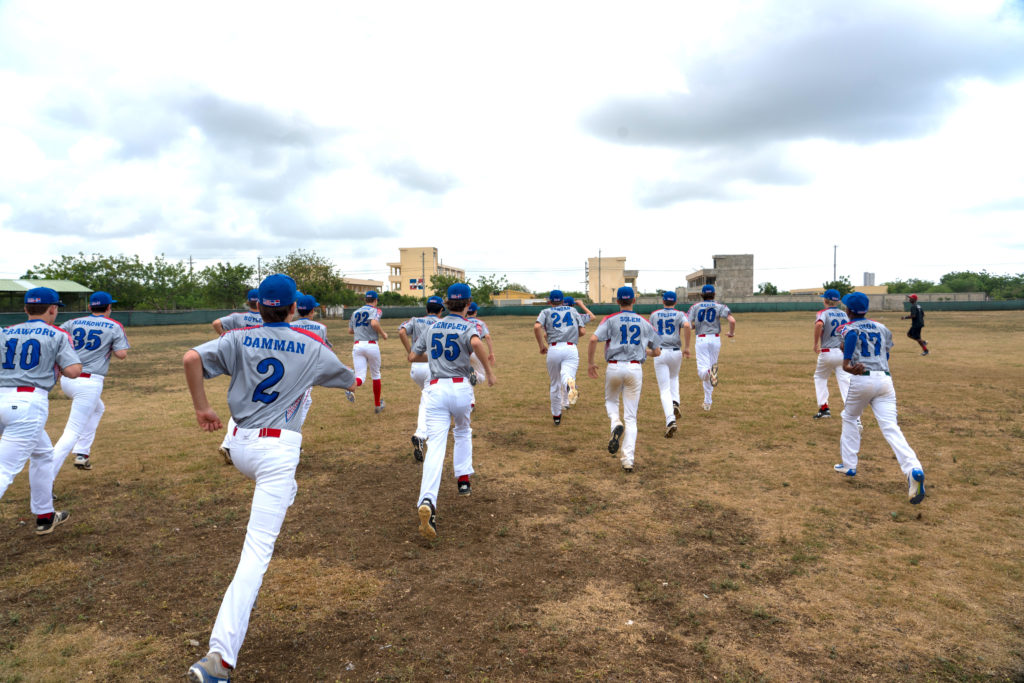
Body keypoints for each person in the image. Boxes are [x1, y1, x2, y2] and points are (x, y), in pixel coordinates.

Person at [183, 274, 357, 682]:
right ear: (294, 307)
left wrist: (201, 409)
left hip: (239, 444)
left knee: (282, 488)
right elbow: (351, 379)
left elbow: (191, 358)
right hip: (277, 451)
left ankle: (283, 490)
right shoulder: (312, 343)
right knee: (256, 552)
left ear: (257, 306)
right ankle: (220, 658)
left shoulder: (238, 335)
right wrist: (351, 380)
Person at [409, 283, 496, 540]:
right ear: (468, 303)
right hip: (460, 388)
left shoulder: (432, 326)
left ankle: (427, 499)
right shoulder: (469, 326)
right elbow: (476, 343)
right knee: (462, 430)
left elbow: (413, 356)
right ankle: (463, 479)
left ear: (447, 303)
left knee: (436, 446)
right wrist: (489, 372)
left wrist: (435, 360)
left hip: (436, 389)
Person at [0, 287, 82, 535]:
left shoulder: (5, 332)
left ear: (25, 309)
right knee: (4, 470)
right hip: (27, 404)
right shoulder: (57, 333)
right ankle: (44, 515)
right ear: (53, 309)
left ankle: (45, 515)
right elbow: (74, 371)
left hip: (2, 396)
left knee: (44, 454)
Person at [833, 292, 926, 505]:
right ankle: (913, 469)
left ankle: (849, 464)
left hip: (862, 378)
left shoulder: (847, 327)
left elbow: (850, 342)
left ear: (848, 310)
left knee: (849, 417)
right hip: (885, 380)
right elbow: (885, 355)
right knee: (891, 427)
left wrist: (848, 364)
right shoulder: (882, 328)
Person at [49, 291, 130, 476]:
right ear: (109, 307)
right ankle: (47, 476)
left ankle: (82, 453)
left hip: (69, 378)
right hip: (89, 382)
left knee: (98, 408)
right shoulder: (114, 325)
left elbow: (56, 338)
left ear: (90, 307)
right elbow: (121, 354)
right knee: (70, 432)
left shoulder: (73, 322)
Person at [587, 286, 661, 472]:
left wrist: (590, 363)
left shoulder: (610, 319)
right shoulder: (644, 322)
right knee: (631, 417)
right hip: (635, 367)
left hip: (614, 365)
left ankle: (615, 422)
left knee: (611, 401)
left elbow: (593, 339)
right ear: (634, 300)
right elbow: (657, 351)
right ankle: (628, 460)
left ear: (617, 301)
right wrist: (646, 351)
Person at [398, 295, 445, 462]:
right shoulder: (441, 323)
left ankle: (428, 428)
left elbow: (402, 331)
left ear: (426, 309)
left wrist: (410, 351)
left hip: (416, 367)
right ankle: (420, 434)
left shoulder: (416, 320)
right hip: (432, 366)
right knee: (427, 398)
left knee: (429, 397)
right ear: (440, 311)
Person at [534, 290, 587, 426]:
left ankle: (556, 416)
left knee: (554, 384)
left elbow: (537, 327)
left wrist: (541, 345)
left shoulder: (545, 312)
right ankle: (570, 384)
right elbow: (582, 331)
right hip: (570, 347)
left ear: (550, 301)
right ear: (563, 301)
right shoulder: (572, 311)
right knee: (567, 375)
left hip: (554, 348)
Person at [686, 284, 736, 411]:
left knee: (703, 372)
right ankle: (707, 402)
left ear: (702, 295)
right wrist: (731, 333)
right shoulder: (719, 306)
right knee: (712, 368)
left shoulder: (695, 307)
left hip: (702, 339)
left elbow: (688, 324)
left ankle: (709, 373)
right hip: (715, 339)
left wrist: (694, 327)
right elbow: (732, 320)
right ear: (714, 294)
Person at [649, 291, 691, 437]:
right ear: (675, 301)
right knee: (674, 378)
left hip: (660, 352)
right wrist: (687, 347)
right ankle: (675, 403)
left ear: (663, 301)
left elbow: (649, 332)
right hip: (675, 351)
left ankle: (670, 420)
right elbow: (686, 325)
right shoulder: (680, 314)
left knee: (664, 389)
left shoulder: (654, 314)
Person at [812, 289, 851, 419]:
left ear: (826, 300)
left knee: (820, 377)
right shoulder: (845, 314)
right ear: (838, 301)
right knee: (845, 381)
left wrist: (815, 343)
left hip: (827, 352)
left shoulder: (823, 313)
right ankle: (852, 414)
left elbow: (818, 325)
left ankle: (824, 408)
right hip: (842, 352)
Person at [348, 290, 388, 413]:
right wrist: (383, 334)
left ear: (365, 300)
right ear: (375, 300)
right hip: (371, 345)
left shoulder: (355, 312)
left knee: (360, 377)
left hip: (358, 345)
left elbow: (350, 331)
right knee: (376, 375)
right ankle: (377, 405)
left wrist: (361, 330)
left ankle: (349, 387)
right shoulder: (376, 310)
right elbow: (374, 323)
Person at [466, 301, 495, 387]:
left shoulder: (461, 322)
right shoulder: (480, 323)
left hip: (462, 352)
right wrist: (491, 353)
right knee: (481, 377)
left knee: (463, 376)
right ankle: (474, 375)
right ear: (475, 312)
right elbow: (488, 337)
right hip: (476, 351)